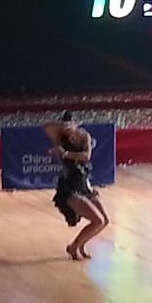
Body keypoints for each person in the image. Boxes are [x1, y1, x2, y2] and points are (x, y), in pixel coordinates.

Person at [45, 111, 110, 260]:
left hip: (85, 185)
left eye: (70, 124)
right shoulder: (60, 138)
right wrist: (62, 127)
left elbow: (86, 157)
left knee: (105, 221)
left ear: (77, 124)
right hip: (70, 187)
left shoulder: (84, 136)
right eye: (65, 124)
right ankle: (73, 246)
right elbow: (47, 127)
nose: (67, 127)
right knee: (97, 220)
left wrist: (65, 154)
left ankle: (81, 245)